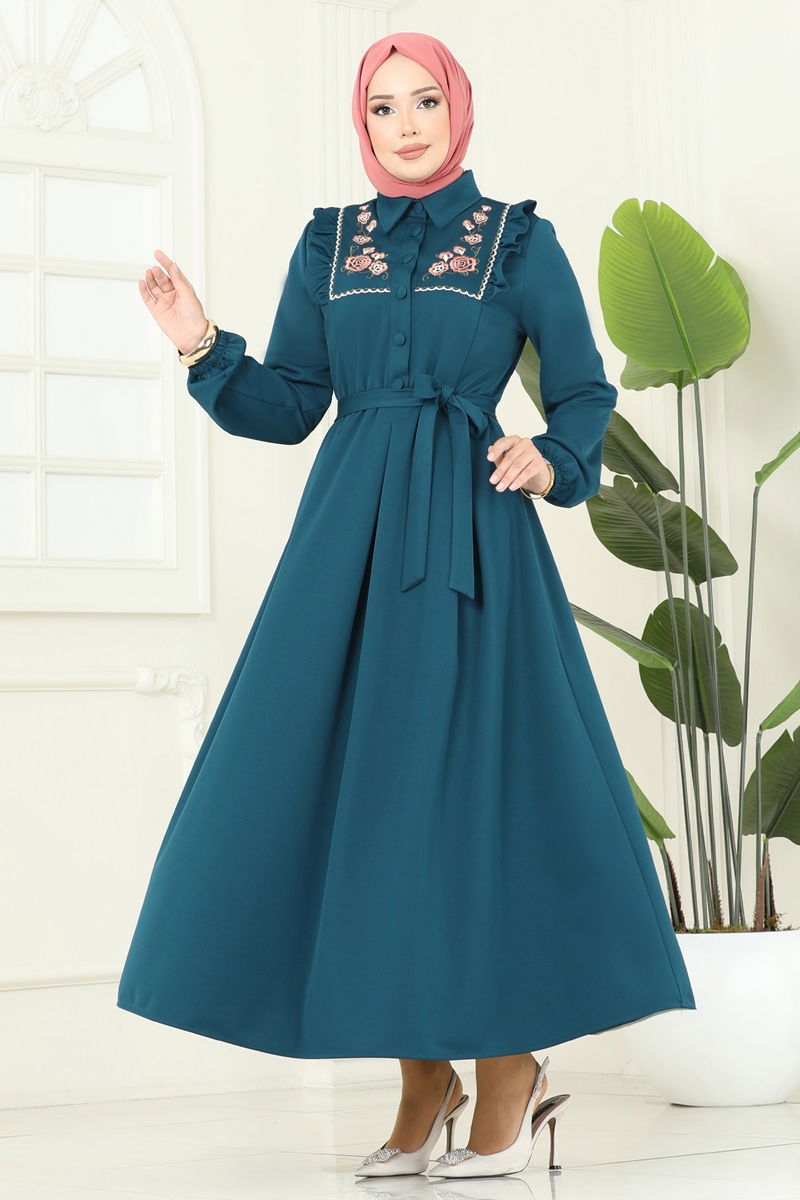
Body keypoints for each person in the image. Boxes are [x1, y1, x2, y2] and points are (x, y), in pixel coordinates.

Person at [117, 30, 697, 1181]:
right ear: (362, 123)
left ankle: (506, 1070)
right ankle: (421, 1076)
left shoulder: (517, 239)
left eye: (423, 99)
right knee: (365, 797)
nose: (405, 123)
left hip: (472, 542)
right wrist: (200, 346)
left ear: (457, 108)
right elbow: (291, 404)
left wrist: (551, 458)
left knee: (472, 798)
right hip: (346, 549)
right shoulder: (328, 243)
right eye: (381, 106)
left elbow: (582, 388)